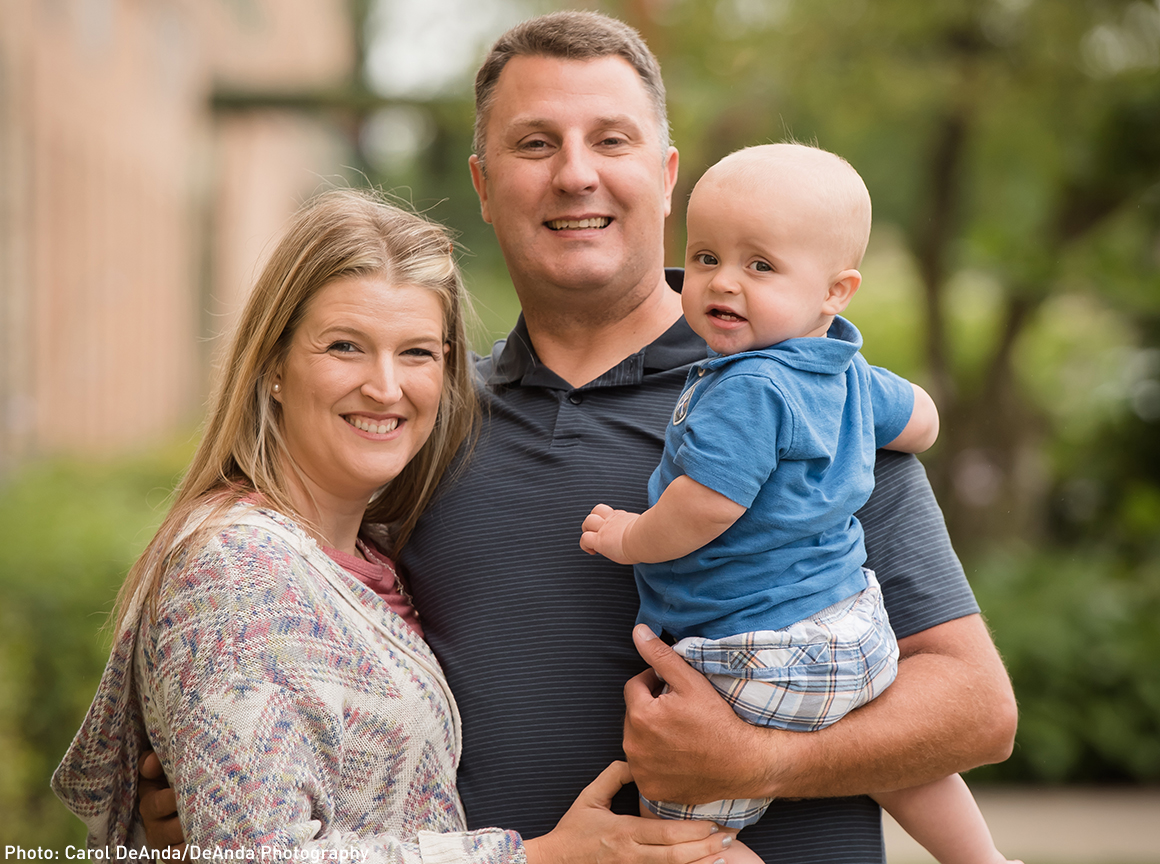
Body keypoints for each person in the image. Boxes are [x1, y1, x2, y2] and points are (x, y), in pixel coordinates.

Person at [140, 12, 1018, 864]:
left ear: (667, 175)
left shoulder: (808, 396)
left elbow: (979, 710)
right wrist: (232, 795)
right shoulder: (417, 427)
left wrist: (765, 762)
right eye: (534, 144)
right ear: (483, 185)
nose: (575, 175)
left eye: (611, 140)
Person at [53, 188, 733, 863]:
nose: (385, 387)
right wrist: (542, 856)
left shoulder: (376, 551)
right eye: (346, 347)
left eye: (416, 353)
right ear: (274, 367)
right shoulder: (234, 567)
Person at [581, 143, 1016, 864]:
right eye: (707, 256)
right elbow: (925, 421)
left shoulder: (746, 389)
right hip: (856, 633)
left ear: (835, 290)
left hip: (762, 654)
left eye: (760, 265)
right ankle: (985, 859)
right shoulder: (848, 371)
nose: (724, 283)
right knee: (901, 770)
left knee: (679, 827)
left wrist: (628, 536)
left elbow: (704, 510)